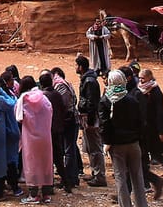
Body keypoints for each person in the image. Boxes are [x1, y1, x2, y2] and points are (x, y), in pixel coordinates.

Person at [101, 69, 148, 207]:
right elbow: (140, 122)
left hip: (116, 145)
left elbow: (104, 125)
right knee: (137, 177)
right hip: (133, 143)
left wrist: (107, 142)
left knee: (120, 177)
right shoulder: (132, 99)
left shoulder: (106, 100)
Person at [16, 75, 55, 204]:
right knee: (45, 163)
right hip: (45, 136)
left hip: (30, 138)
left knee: (31, 164)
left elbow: (18, 117)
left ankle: (33, 195)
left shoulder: (23, 99)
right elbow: (50, 113)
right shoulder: (44, 98)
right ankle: (46, 195)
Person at [42, 69, 79, 193]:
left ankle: (50, 185)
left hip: (50, 131)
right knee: (59, 157)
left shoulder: (44, 96)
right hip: (58, 129)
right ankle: (67, 182)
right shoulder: (57, 93)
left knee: (51, 157)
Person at [76, 55, 107, 187]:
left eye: (76, 65)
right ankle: (95, 173)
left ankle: (99, 176)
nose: (75, 68)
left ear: (81, 67)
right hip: (88, 118)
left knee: (94, 148)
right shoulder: (88, 79)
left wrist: (89, 121)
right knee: (90, 147)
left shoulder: (89, 81)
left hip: (90, 118)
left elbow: (92, 102)